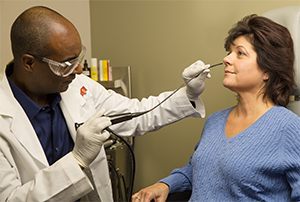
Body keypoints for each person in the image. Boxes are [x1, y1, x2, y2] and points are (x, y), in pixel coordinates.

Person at [0, 6, 211, 202]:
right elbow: (11, 198)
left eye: (78, 59)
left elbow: (139, 114)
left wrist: (188, 93)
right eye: (66, 64)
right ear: (29, 63)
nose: (78, 70)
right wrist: (77, 160)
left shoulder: (79, 88)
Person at [132, 14, 300, 202]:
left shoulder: (289, 128)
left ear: (268, 70)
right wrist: (165, 184)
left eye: (240, 53)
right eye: (229, 52)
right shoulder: (215, 120)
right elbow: (200, 171)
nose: (226, 59)